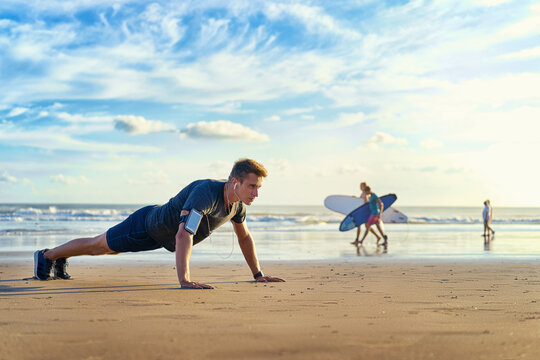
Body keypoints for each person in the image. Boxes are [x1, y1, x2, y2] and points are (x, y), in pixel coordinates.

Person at [33, 158, 285, 289]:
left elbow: (244, 238)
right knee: (100, 246)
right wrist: (184, 280)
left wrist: (258, 275)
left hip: (161, 237)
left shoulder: (238, 206)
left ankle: (58, 257)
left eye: (258, 187)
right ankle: (47, 255)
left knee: (105, 247)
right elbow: (183, 235)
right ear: (235, 182)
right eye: (252, 186)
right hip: (148, 225)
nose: (256, 193)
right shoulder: (206, 194)